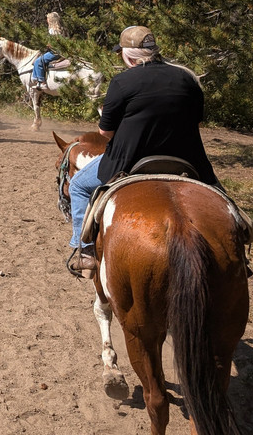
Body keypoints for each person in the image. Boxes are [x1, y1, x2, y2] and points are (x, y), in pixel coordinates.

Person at [67, 25, 219, 275]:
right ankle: (240, 251)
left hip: (129, 160)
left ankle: (85, 250)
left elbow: (106, 134)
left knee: (79, 185)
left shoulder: (122, 81)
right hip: (187, 158)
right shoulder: (188, 77)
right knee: (224, 203)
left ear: (128, 55)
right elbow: (196, 121)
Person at [31, 11, 64, 90]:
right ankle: (36, 78)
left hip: (55, 52)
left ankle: (42, 82)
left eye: (48, 19)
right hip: (61, 51)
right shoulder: (61, 29)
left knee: (39, 61)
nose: (47, 20)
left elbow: (53, 44)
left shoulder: (52, 30)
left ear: (51, 20)